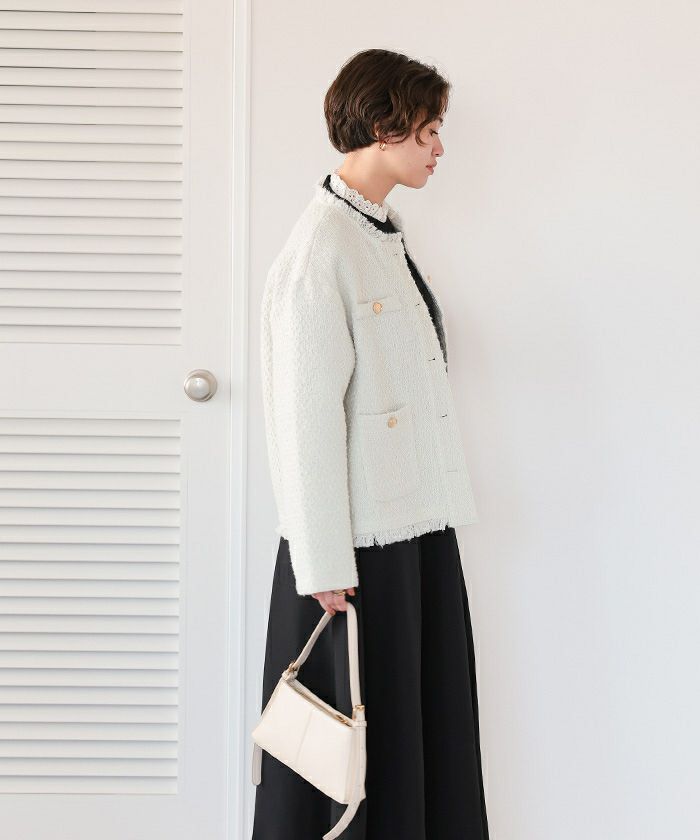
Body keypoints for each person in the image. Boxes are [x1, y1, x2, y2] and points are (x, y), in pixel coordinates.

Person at [253, 48, 490, 839]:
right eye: (428, 131)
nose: (439, 148)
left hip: (411, 529)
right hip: (354, 552)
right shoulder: (320, 249)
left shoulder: (375, 232)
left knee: (411, 735)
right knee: (349, 755)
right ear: (385, 127)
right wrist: (322, 561)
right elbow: (303, 417)